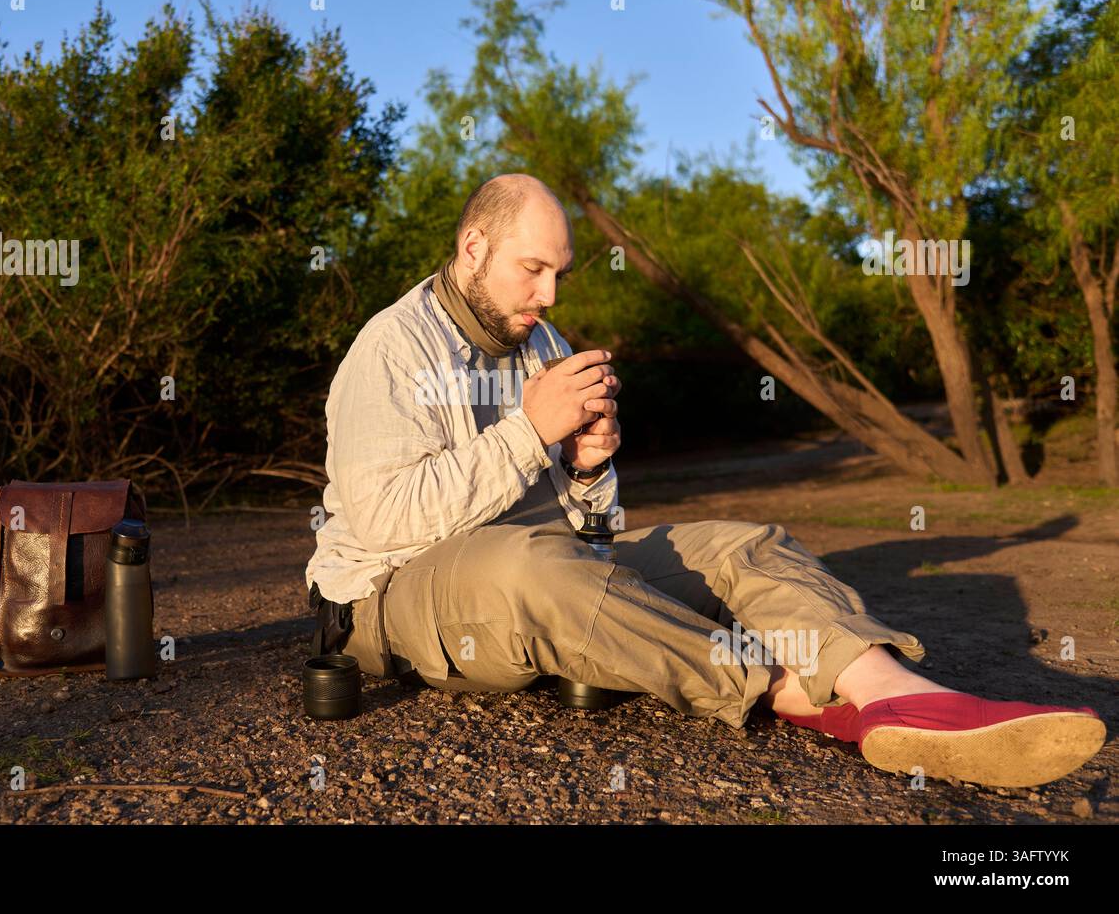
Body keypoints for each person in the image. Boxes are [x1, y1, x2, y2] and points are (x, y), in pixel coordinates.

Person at [304, 172, 1106, 789]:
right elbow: (385, 523)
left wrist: (588, 469)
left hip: (541, 566)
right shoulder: (392, 347)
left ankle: (889, 688)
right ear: (472, 247)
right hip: (388, 595)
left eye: (561, 274)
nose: (548, 295)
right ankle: (789, 689)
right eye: (532, 269)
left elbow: (591, 532)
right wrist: (527, 432)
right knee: (530, 568)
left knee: (739, 543)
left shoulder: (543, 341)